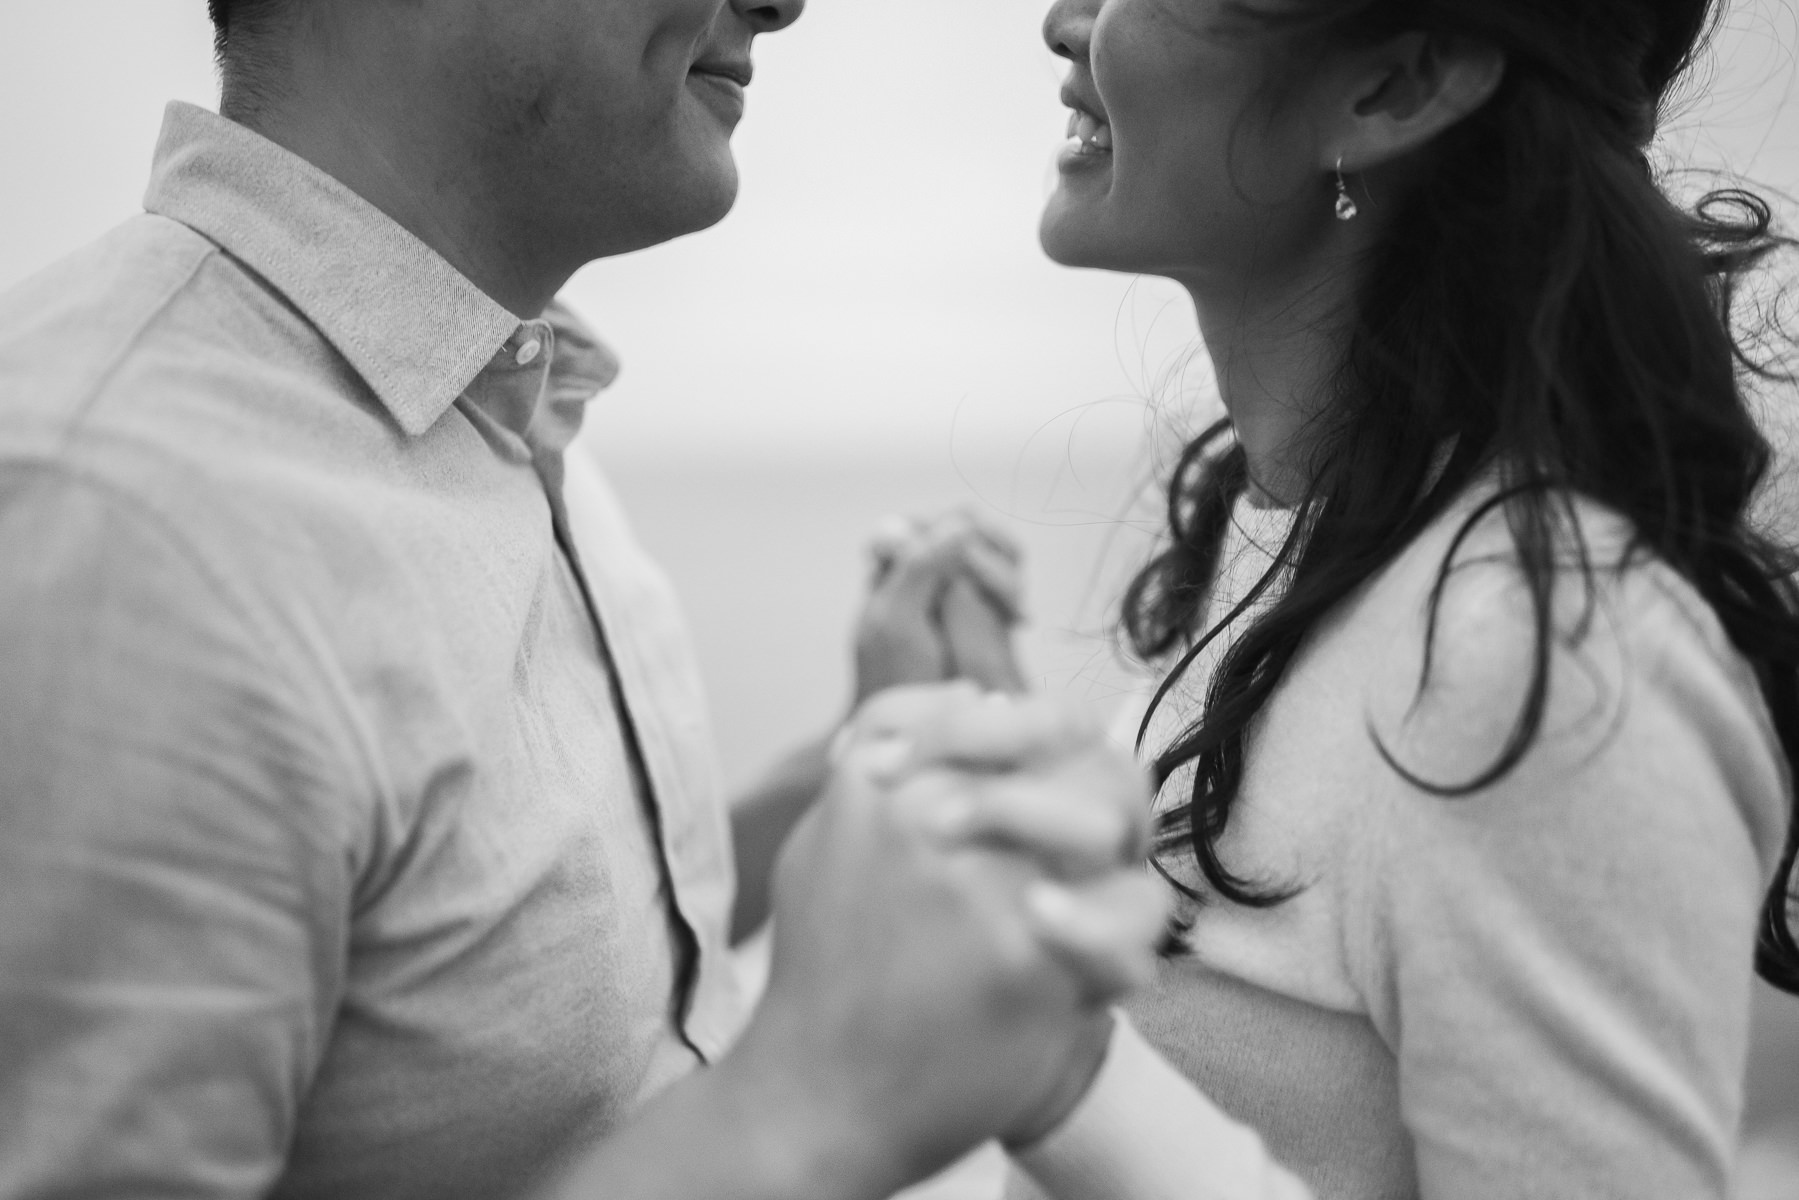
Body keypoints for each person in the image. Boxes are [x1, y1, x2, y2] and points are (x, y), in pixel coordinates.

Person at [0, 1, 1175, 1197]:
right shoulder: (109, 518)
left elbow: (494, 952)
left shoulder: (498, 394)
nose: (785, 1)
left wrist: (851, 771)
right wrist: (808, 1101)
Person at [994, 0, 1799, 1196]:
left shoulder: (1541, 652)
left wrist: (1056, 1071)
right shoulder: (1317, 532)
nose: (1064, 21)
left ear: (1394, 90)